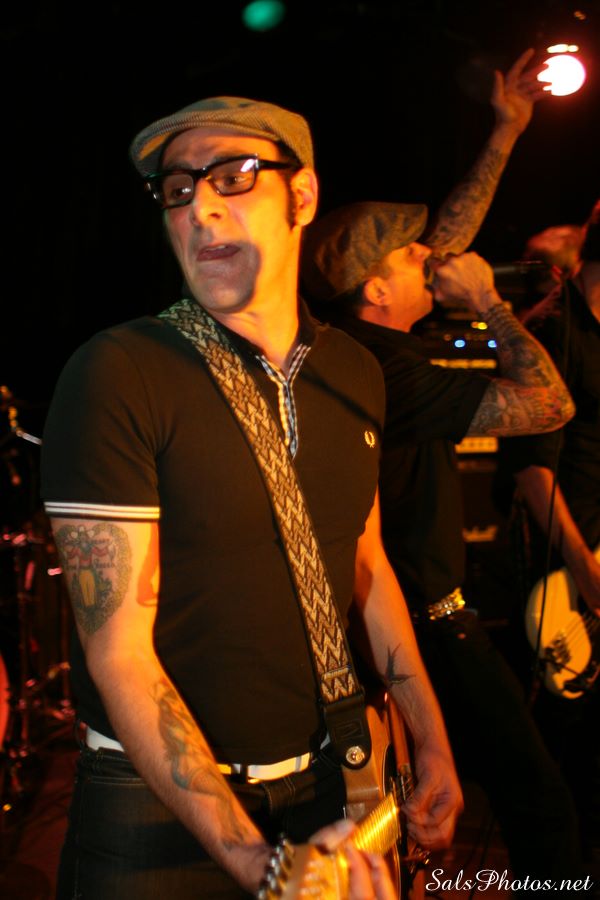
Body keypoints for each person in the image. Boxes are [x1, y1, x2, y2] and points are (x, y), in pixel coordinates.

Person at [40, 97, 463, 899]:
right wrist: (255, 865)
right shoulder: (119, 372)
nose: (199, 207)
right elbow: (118, 652)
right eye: (177, 190)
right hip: (152, 811)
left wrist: (430, 736)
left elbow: (365, 562)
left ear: (302, 195)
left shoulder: (355, 371)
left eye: (234, 176)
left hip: (326, 784)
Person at [300, 199, 586, 885]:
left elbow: (441, 239)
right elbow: (552, 404)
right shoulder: (387, 371)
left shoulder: (358, 345)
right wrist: (489, 300)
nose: (431, 257)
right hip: (425, 621)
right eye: (411, 254)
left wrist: (505, 140)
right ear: (376, 289)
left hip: (409, 617)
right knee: (539, 803)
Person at [502, 199, 600, 877]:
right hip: (571, 570)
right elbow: (531, 472)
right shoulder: (550, 331)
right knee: (571, 763)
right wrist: (586, 568)